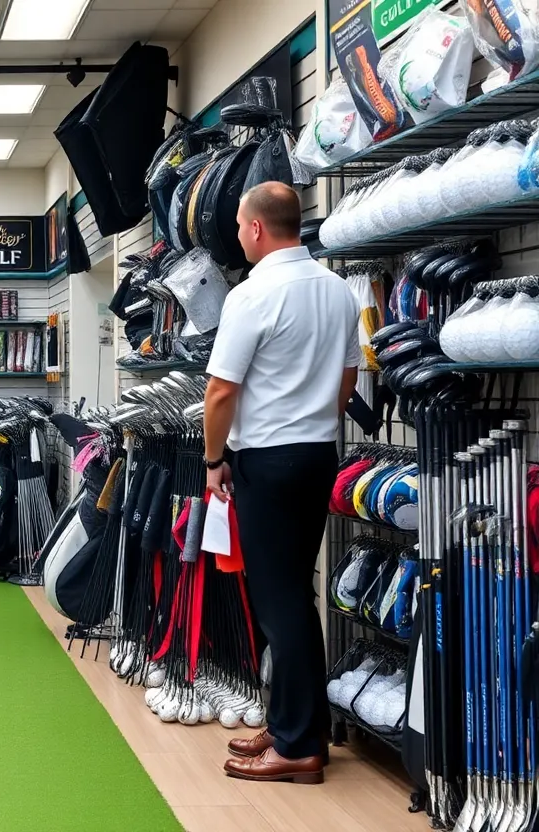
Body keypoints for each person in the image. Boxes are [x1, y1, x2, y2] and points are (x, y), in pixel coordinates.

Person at [202, 181, 360, 785]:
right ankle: (299, 724)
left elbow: (220, 391)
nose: (240, 234)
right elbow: (348, 378)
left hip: (265, 461)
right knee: (294, 593)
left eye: (241, 225)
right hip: (318, 454)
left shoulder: (252, 294)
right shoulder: (339, 291)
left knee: (279, 602)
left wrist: (214, 460)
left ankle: (297, 747)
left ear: (258, 229)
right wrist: (314, 415)